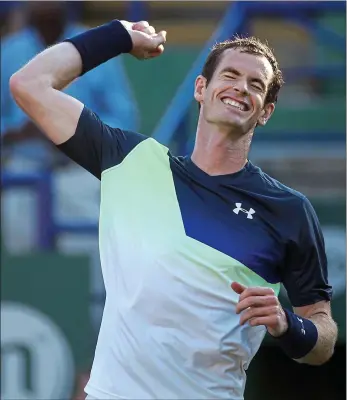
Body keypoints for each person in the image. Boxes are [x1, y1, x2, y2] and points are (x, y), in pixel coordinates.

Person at [9, 19, 338, 400]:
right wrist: (117, 35)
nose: (240, 88)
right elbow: (29, 84)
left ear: (265, 111)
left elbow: (324, 339)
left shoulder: (289, 210)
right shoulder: (128, 160)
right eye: (230, 75)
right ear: (202, 88)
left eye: (256, 85)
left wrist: (288, 325)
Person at [2, 3, 138, 252]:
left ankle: (93, 292)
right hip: (25, 167)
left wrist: (75, 128)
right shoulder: (11, 50)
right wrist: (16, 131)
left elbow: (125, 117)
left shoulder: (95, 44)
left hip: (79, 168)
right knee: (18, 244)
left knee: (85, 249)